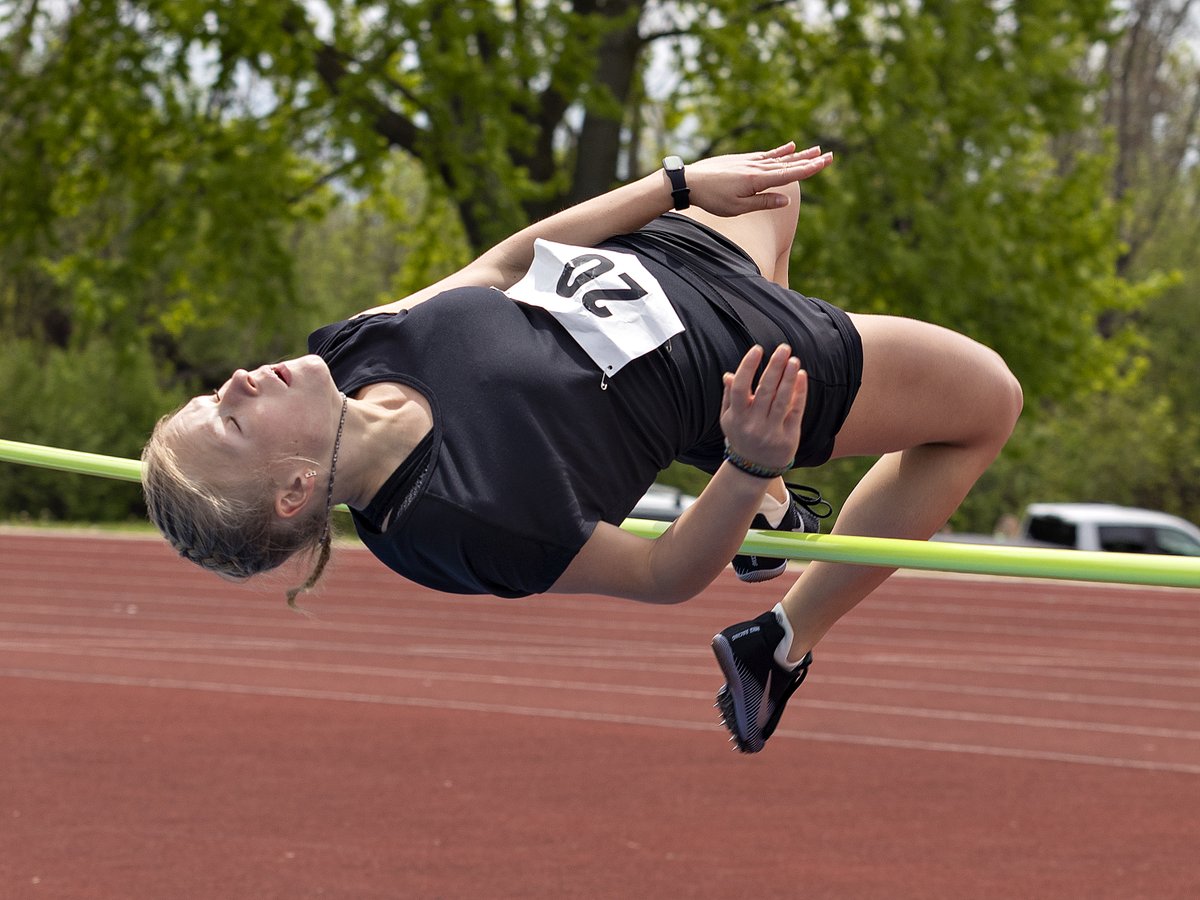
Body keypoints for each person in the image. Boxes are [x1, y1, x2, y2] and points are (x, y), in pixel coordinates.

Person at [141, 141, 1023, 753]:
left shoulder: (350, 353)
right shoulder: (458, 521)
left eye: (210, 394)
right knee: (988, 403)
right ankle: (783, 639)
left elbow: (505, 263)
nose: (237, 381)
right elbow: (663, 574)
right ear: (295, 490)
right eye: (228, 419)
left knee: (773, 182)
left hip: (665, 257)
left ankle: (765, 506)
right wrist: (750, 453)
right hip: (739, 357)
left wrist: (677, 184)